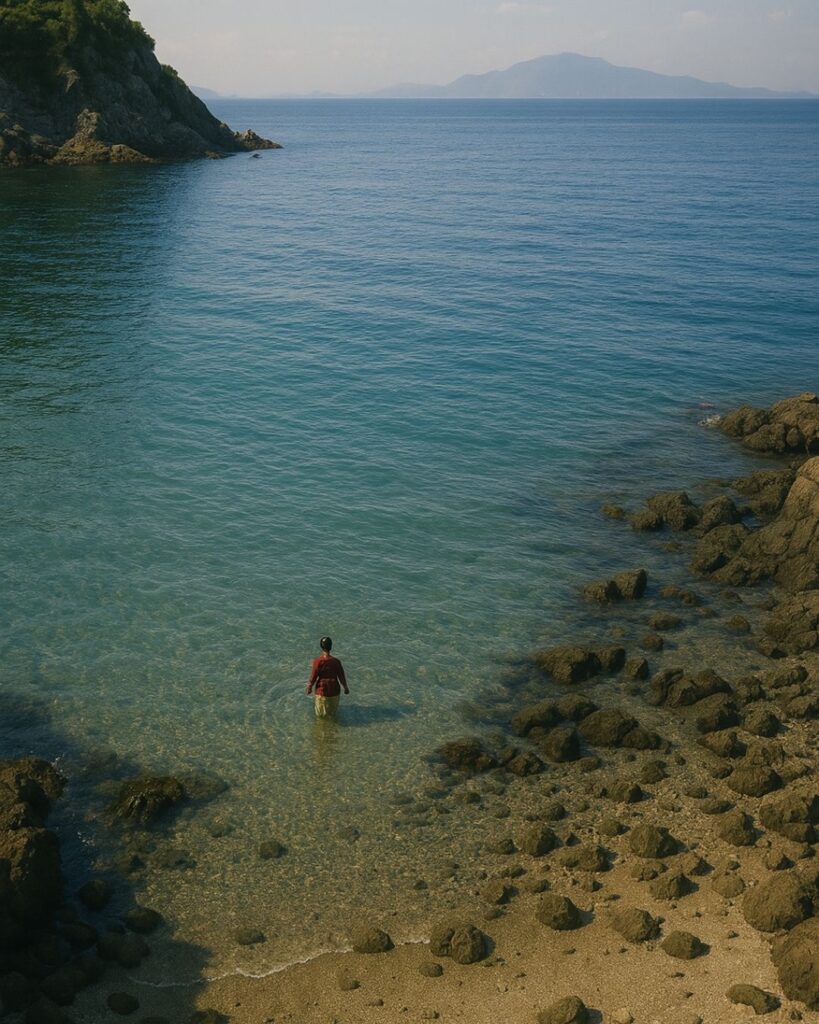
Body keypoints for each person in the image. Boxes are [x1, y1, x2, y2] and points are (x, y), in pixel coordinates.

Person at [306, 636, 349, 718]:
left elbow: (313, 677)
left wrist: (309, 687)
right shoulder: (336, 662)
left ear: (321, 647)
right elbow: (341, 677)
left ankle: (322, 729)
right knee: (332, 716)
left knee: (320, 717)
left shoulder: (317, 661)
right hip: (334, 692)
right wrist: (346, 688)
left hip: (322, 692)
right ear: (331, 646)